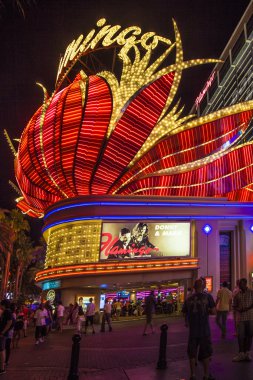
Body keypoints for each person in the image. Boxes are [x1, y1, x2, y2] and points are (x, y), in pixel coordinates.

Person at [182, 278, 216, 380]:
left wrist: (187, 321)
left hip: (193, 330)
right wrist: (207, 311)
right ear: (203, 286)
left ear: (194, 287)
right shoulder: (208, 297)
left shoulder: (188, 298)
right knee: (205, 352)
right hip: (204, 329)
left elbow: (184, 312)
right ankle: (206, 375)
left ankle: (192, 375)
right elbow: (214, 311)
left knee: (192, 352)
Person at [232, 278, 253, 362]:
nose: (240, 285)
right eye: (239, 284)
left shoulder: (251, 292)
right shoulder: (237, 295)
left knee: (249, 335)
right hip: (241, 318)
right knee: (240, 336)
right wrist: (238, 309)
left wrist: (247, 308)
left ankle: (247, 353)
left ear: (245, 284)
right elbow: (234, 305)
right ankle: (241, 353)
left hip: (250, 317)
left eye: (241, 284)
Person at [0, 300, 13, 375]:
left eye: (1, 305)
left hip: (3, 334)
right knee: (2, 350)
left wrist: (3, 332)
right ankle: (2, 367)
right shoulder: (6, 311)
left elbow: (9, 322)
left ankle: (2, 368)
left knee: (1, 350)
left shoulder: (7, 312)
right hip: (3, 333)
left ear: (4, 305)